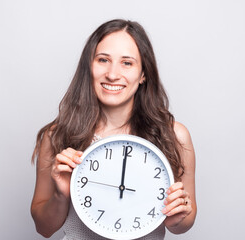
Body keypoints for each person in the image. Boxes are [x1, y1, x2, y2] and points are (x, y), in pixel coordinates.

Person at [30, 19, 196, 240]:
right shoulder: (56, 136)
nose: (112, 74)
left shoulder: (174, 136)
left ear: (143, 73)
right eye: (103, 60)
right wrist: (61, 195)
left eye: (127, 63)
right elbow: (44, 228)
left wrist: (177, 217)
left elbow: (183, 222)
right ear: (89, 66)